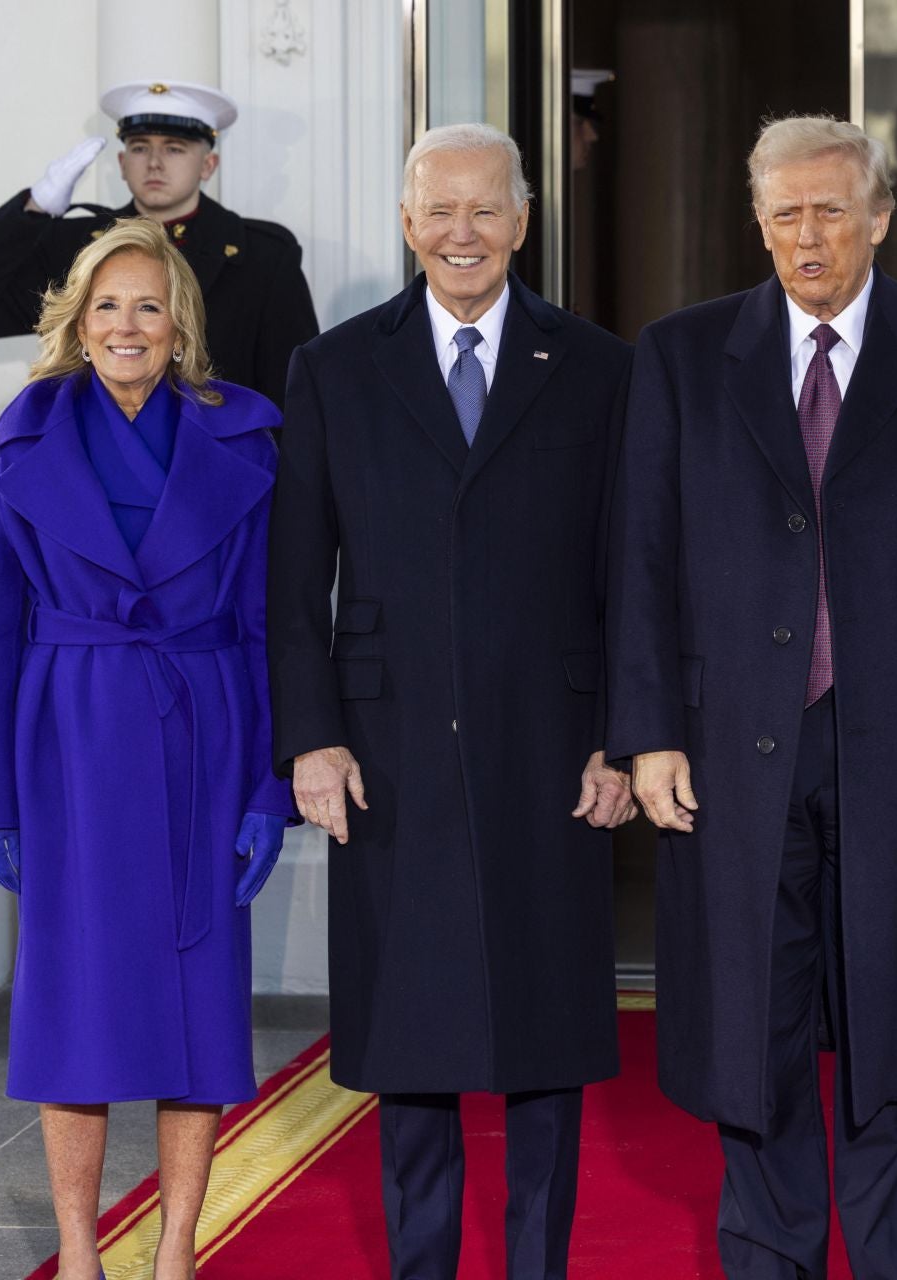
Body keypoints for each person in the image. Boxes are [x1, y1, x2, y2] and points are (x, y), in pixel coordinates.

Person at [606, 115, 897, 1278]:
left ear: (880, 217)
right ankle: (771, 1256)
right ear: (758, 222)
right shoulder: (682, 354)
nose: (809, 235)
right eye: (786, 213)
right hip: (733, 747)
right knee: (754, 1024)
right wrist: (646, 733)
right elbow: (640, 557)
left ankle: (893, 1260)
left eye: (832, 210)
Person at [264, 123, 634, 1280]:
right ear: (409, 222)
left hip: (553, 742)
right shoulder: (333, 367)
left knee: (546, 1032)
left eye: (486, 210)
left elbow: (633, 567)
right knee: (408, 1033)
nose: (462, 233)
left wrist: (625, 736)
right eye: (440, 210)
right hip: (387, 743)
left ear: (524, 222)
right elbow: (292, 575)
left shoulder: (599, 366)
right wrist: (310, 737)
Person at [0, 218, 293, 1280]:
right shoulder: (23, 435)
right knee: (75, 1010)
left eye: (149, 304)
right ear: (78, 318)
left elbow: (264, 624)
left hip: (205, 728)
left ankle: (177, 1252)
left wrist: (267, 785)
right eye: (108, 305)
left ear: (181, 321)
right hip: (69, 743)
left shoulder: (244, 434)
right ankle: (79, 1251)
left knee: (197, 1015)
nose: (127, 324)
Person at [0, 80, 317, 408]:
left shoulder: (262, 256)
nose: (154, 162)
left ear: (208, 166)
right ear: (122, 161)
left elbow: (293, 391)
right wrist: (36, 208)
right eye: (139, 147)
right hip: (99, 462)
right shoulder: (77, 247)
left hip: (217, 469)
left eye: (174, 148)